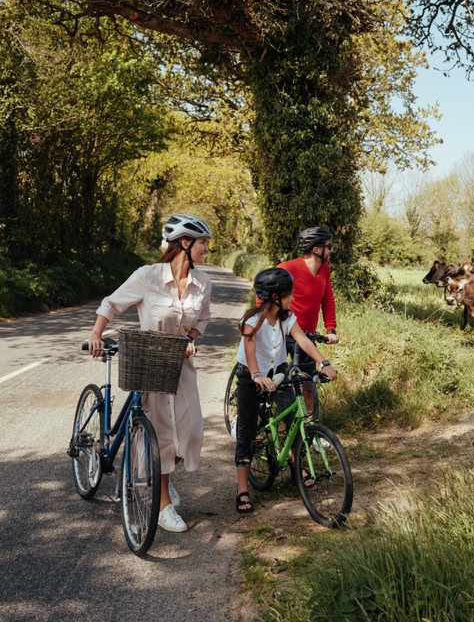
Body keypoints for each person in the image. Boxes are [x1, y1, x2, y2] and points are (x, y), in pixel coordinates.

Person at [88, 213, 213, 533]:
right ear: (184, 244)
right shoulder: (149, 276)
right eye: (202, 243)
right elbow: (111, 304)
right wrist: (96, 333)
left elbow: (201, 322)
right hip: (149, 361)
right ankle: (162, 504)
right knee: (159, 432)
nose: (206, 249)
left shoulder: (204, 283)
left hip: (180, 364)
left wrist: (190, 340)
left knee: (192, 428)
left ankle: (163, 474)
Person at [234, 268, 338, 514]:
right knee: (247, 432)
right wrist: (257, 375)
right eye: (289, 294)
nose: (292, 298)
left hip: (278, 372)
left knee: (293, 417)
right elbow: (250, 351)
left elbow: (302, 339)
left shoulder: (287, 318)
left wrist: (324, 363)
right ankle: (242, 489)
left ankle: (296, 464)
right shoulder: (251, 320)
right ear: (273, 297)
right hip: (251, 375)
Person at [276, 227, 339, 413]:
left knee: (308, 383)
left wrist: (331, 329)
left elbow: (327, 300)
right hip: (282, 334)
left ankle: (312, 429)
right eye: (328, 246)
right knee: (278, 381)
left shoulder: (324, 270)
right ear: (317, 250)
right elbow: (264, 298)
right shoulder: (287, 269)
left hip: (306, 337)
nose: (331, 250)